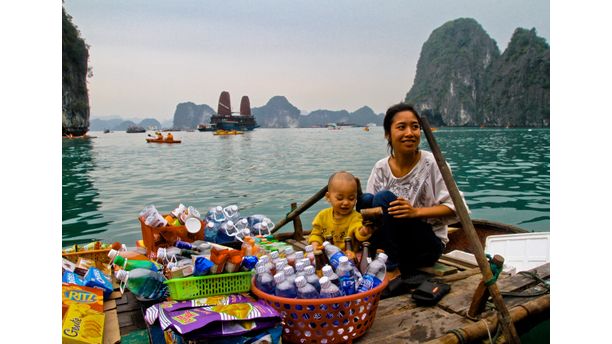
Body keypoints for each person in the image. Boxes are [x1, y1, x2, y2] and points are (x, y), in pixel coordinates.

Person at [357, 103, 466, 276]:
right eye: (401, 127)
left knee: (383, 198)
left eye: (415, 127)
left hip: (425, 246)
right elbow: (370, 210)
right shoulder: (380, 168)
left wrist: (415, 212)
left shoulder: (434, 164)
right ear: (388, 135)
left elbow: (459, 209)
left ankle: (391, 269)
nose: (410, 133)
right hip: (391, 243)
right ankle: (379, 257)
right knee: (367, 200)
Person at [308, 171, 372, 251]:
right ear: (328, 197)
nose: (346, 203)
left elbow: (358, 233)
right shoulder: (322, 216)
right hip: (327, 254)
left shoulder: (356, 217)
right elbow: (316, 234)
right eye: (340, 198)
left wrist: (365, 231)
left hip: (348, 256)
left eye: (351, 198)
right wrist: (315, 244)